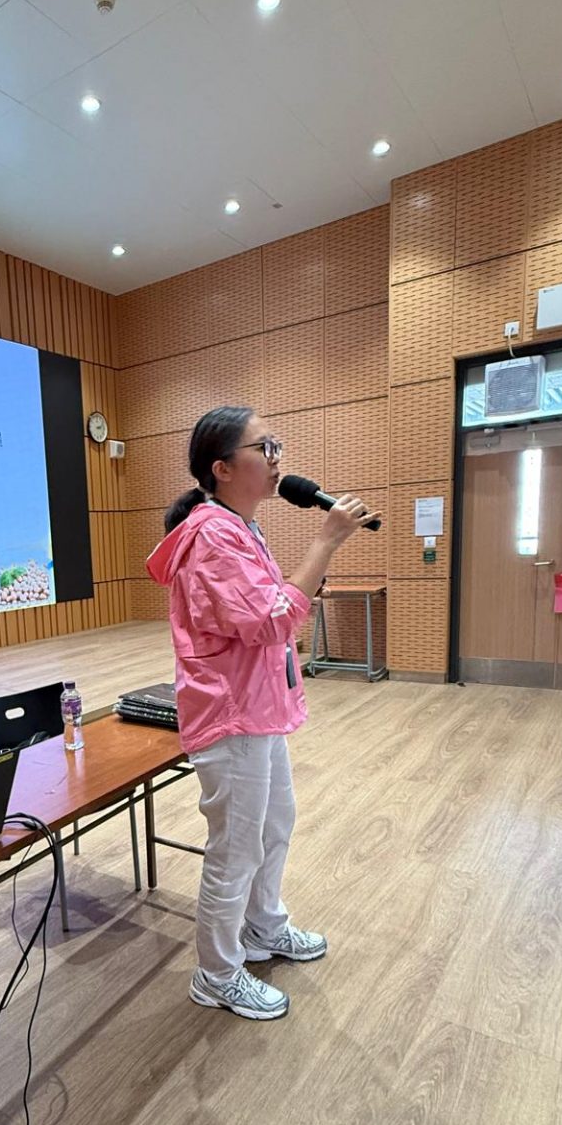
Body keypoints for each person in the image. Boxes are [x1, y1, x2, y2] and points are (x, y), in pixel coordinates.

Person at [146, 406, 376, 1021]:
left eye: (276, 446)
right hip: (231, 714)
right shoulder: (212, 537)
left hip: (259, 707)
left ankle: (262, 927)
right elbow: (271, 620)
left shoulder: (240, 526)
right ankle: (217, 974)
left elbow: (273, 609)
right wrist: (325, 541)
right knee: (236, 849)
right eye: (263, 448)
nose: (277, 459)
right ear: (222, 468)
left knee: (276, 826)